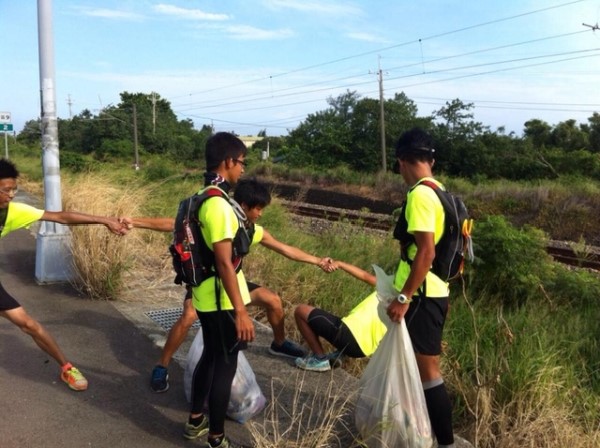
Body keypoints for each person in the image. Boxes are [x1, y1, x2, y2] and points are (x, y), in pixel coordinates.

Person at [125, 178, 332, 394]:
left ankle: (279, 343)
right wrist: (135, 222)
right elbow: (173, 223)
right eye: (258, 208)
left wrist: (317, 261)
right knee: (188, 316)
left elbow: (285, 249)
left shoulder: (251, 229)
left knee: (273, 300)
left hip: (232, 284)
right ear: (244, 206)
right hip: (207, 281)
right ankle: (162, 365)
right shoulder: (217, 218)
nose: (261, 214)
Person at [0, 158, 127, 392]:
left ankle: (66, 367)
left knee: (29, 324)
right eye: (6, 190)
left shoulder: (13, 212)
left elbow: (60, 217)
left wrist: (103, 220)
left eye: (13, 189)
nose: (11, 195)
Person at [386, 128, 455, 448]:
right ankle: (419, 432)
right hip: (435, 292)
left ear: (402, 161)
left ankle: (445, 443)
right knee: (418, 368)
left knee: (428, 372)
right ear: (431, 160)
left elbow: (426, 252)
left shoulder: (420, 195)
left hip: (422, 297)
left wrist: (404, 297)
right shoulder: (439, 190)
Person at [293, 260, 387, 372]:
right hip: (363, 350)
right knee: (344, 320)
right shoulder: (401, 302)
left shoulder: (390, 287)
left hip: (348, 335)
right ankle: (340, 355)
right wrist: (341, 264)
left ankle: (319, 359)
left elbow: (365, 276)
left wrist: (340, 264)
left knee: (301, 311)